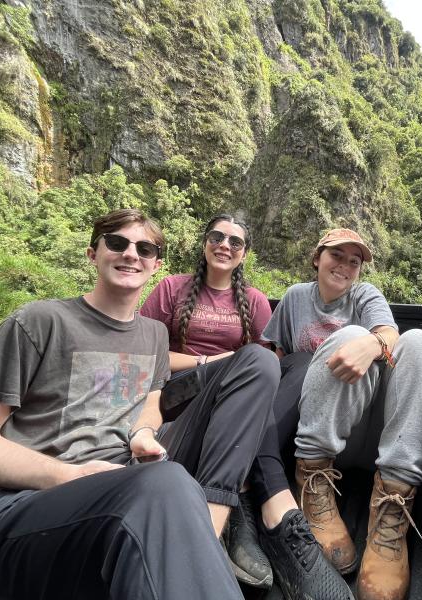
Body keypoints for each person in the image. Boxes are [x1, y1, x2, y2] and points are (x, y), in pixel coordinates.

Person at [0, 209, 249, 599]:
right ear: (93, 253)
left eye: (144, 248)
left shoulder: (155, 334)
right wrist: (70, 476)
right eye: (117, 243)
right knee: (168, 483)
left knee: (173, 474)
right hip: (26, 505)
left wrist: (142, 432)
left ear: (156, 265)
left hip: (123, 490)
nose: (131, 254)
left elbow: (152, 398)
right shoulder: (40, 320)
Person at [141, 215, 353, 600]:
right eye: (217, 237)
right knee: (255, 360)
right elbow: (145, 353)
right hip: (183, 399)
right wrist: (212, 362)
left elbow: (269, 364)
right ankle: (248, 502)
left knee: (301, 363)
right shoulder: (171, 288)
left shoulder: (254, 301)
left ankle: (247, 491)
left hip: (238, 399)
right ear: (204, 243)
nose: (225, 245)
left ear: (244, 254)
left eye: (235, 242)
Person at [263, 228, 422, 600]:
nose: (345, 266)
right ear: (317, 258)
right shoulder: (295, 298)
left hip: (374, 430)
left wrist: (371, 343)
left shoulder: (366, 295)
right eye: (337, 255)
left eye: (355, 261)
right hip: (319, 433)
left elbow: (390, 334)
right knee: (346, 337)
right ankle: (311, 480)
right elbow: (277, 357)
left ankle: (392, 508)